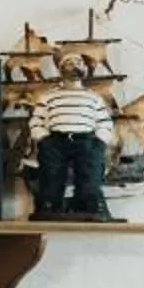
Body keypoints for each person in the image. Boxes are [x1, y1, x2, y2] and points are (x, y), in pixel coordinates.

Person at [31, 46, 120, 221]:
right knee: (51, 176)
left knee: (90, 175)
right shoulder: (48, 97)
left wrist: (100, 141)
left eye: (78, 62)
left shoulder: (93, 97)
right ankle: (50, 207)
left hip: (86, 141)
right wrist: (42, 138)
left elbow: (104, 122)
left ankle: (89, 206)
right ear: (61, 68)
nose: (74, 64)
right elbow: (37, 120)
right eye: (69, 62)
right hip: (55, 141)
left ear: (85, 69)